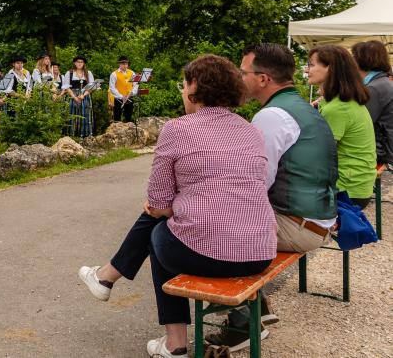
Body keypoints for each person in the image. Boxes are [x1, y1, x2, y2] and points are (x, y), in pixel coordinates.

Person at [78, 54, 276, 358]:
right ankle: (106, 277)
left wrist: (169, 209)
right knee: (167, 227)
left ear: (195, 87)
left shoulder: (177, 129)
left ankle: (174, 342)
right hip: (259, 253)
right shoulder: (251, 131)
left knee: (161, 235)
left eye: (183, 85)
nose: (182, 91)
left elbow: (158, 201)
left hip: (212, 254)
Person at [206, 43, 339, 350]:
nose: (239, 78)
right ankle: (259, 309)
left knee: (203, 230)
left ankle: (242, 324)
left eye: (243, 72)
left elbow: (253, 186)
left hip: (299, 226)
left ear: (263, 79)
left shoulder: (271, 117)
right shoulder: (302, 106)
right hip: (319, 218)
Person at [308, 45, 376, 207]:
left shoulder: (337, 108)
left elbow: (319, 154)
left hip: (347, 190)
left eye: (311, 64)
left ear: (330, 69)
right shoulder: (343, 101)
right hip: (358, 184)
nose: (307, 70)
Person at [353, 40, 393, 165]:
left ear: (363, 59)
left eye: (353, 57)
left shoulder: (374, 88)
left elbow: (361, 123)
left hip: (377, 152)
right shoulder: (381, 82)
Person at [62, 55, 96, 137]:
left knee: (85, 114)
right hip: (72, 96)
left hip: (85, 96)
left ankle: (85, 135)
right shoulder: (69, 73)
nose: (80, 63)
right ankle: (71, 135)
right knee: (71, 113)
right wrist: (74, 97)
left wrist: (83, 95)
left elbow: (91, 87)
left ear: (84, 63)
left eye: (81, 62)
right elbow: (66, 87)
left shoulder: (88, 73)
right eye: (78, 62)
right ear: (75, 63)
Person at [109, 56, 139, 123]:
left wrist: (132, 92)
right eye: (123, 64)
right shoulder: (114, 74)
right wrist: (121, 96)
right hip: (118, 99)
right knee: (117, 118)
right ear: (119, 64)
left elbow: (135, 85)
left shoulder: (132, 73)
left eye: (126, 64)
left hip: (129, 97)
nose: (125, 65)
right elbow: (112, 88)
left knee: (128, 118)